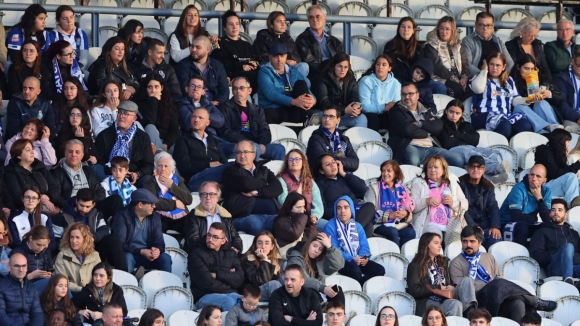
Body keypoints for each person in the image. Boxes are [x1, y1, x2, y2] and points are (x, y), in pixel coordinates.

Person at [449, 225, 557, 320]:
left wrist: (493, 284)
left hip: (495, 299)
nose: (468, 245)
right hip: (476, 304)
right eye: (465, 241)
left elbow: (498, 279)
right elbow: (463, 289)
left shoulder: (488, 257)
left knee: (517, 303)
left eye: (472, 241)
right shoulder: (456, 263)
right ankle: (535, 301)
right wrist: (490, 285)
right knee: (497, 284)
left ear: (479, 242)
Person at [387, 82, 463, 167]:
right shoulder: (396, 111)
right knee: (413, 162)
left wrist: (420, 124)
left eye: (410, 94)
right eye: (404, 94)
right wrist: (428, 132)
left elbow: (438, 126)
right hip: (411, 147)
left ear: (417, 95)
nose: (407, 97)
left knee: (458, 160)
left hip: (431, 148)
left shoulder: (425, 110)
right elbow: (407, 129)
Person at [52, 188, 127, 271]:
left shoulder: (97, 214)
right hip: (72, 251)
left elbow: (105, 230)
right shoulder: (61, 217)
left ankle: (124, 273)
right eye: (81, 205)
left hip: (93, 249)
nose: (84, 209)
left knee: (113, 238)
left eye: (88, 207)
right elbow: (56, 241)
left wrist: (92, 237)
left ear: (94, 204)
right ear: (76, 201)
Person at [469, 53, 538, 139]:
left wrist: (528, 99)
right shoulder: (480, 77)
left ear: (504, 67)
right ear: (487, 64)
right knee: (504, 126)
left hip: (504, 115)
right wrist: (484, 71)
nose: (494, 68)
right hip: (482, 114)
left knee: (525, 125)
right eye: (491, 64)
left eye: (498, 65)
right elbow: (478, 89)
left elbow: (515, 99)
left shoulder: (509, 80)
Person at [439, 100, 510, 183]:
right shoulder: (441, 124)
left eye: (457, 113)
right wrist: (466, 138)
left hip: (470, 147)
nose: (454, 115)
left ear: (461, 114)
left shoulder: (466, 125)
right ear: (446, 111)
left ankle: (497, 175)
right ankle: (496, 168)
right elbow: (447, 143)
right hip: (453, 150)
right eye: (451, 112)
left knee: (495, 152)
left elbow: (475, 140)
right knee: (471, 154)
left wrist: (456, 135)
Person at [221, 140, 283, 235]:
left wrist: (257, 192)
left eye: (246, 152)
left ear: (254, 155)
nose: (242, 155)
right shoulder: (230, 171)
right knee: (256, 225)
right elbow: (246, 184)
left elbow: (278, 187)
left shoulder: (263, 170)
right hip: (244, 216)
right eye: (238, 152)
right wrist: (265, 183)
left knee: (283, 224)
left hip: (271, 215)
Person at [218, 76, 285, 160]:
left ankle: (278, 173)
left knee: (278, 149)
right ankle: (254, 172)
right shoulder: (225, 107)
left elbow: (264, 130)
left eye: (242, 88)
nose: (238, 91)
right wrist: (249, 143)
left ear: (249, 91)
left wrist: (262, 143)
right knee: (254, 148)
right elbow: (225, 131)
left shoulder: (257, 109)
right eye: (235, 88)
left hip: (256, 144)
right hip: (237, 145)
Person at [324, 196, 385, 285]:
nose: (342, 211)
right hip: (340, 260)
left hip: (358, 258)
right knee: (355, 271)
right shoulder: (330, 226)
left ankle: (360, 285)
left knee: (380, 270)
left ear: (351, 209)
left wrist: (364, 258)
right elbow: (334, 250)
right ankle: (359, 289)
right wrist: (352, 259)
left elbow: (364, 246)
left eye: (346, 207)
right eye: (339, 208)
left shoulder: (357, 226)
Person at [95, 100, 154, 187]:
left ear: (134, 118)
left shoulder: (143, 137)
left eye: (126, 113)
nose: (121, 116)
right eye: (119, 112)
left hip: (133, 177)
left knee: (148, 180)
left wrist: (137, 174)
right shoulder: (104, 135)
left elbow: (149, 164)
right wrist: (113, 171)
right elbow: (99, 160)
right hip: (109, 174)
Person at [112, 189, 172, 273]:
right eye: (151, 204)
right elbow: (120, 244)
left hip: (148, 255)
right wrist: (141, 251)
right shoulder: (122, 216)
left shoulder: (155, 217)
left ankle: (166, 285)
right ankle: (128, 284)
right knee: (127, 257)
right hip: (131, 253)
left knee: (165, 258)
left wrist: (157, 250)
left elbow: (160, 242)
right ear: (140, 205)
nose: (154, 206)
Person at [188, 222, 244, 311]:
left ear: (223, 240)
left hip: (230, 293)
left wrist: (217, 275)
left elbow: (239, 279)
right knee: (228, 302)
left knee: (246, 301)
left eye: (215, 237)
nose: (210, 239)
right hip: (204, 295)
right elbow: (206, 282)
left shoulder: (230, 253)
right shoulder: (197, 254)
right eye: (209, 235)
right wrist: (229, 279)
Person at [257, 43, 316, 125]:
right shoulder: (264, 73)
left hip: (291, 108)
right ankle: (306, 119)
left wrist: (313, 100)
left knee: (301, 84)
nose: (279, 59)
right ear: (270, 57)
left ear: (286, 57)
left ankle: (305, 118)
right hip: (273, 109)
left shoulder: (293, 71)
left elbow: (307, 90)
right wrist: (293, 101)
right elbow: (271, 94)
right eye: (275, 56)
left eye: (282, 56)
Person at [315, 154, 374, 236]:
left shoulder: (345, 177)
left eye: (333, 162)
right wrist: (342, 211)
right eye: (328, 164)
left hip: (355, 214)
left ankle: (351, 233)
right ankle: (352, 236)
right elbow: (323, 210)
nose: (332, 165)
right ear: (321, 171)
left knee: (370, 206)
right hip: (339, 216)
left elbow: (363, 189)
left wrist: (344, 173)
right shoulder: (319, 185)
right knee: (368, 226)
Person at [410, 155, 468, 238]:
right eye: (429, 167)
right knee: (434, 237)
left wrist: (452, 203)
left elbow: (465, 204)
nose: (432, 170)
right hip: (427, 226)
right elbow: (412, 207)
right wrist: (426, 201)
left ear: (443, 170)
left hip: (451, 225)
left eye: (436, 167)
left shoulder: (452, 184)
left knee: (454, 243)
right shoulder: (419, 183)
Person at [407, 232, 463, 317]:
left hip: (446, 297)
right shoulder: (415, 265)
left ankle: (470, 311)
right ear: (426, 245)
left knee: (466, 281)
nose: (440, 246)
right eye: (436, 243)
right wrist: (437, 287)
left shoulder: (443, 262)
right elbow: (415, 290)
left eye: (440, 243)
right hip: (429, 300)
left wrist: (451, 286)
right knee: (455, 304)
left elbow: (447, 283)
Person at [174, 107, 229, 192]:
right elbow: (184, 167)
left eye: (200, 117)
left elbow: (224, 161)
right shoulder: (183, 140)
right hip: (194, 180)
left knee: (234, 167)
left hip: (214, 178)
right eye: (193, 117)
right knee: (232, 166)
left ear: (207, 122)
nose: (196, 120)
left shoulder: (212, 140)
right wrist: (208, 164)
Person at [365, 160, 416, 248]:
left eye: (389, 171)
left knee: (410, 233)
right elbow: (368, 213)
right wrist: (388, 216)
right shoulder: (373, 188)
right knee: (392, 232)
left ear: (395, 173)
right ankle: (394, 257)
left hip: (398, 224)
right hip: (379, 225)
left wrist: (406, 213)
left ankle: (401, 256)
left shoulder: (403, 189)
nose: (385, 173)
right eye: (383, 171)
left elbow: (409, 209)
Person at [499, 164, 553, 247]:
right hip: (506, 223)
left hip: (527, 223)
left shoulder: (546, 191)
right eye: (532, 175)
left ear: (544, 180)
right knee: (522, 227)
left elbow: (548, 219)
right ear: (528, 176)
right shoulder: (518, 189)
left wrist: (539, 198)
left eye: (538, 176)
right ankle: (521, 256)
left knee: (549, 227)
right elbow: (516, 217)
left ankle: (540, 256)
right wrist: (534, 218)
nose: (534, 179)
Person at [530, 198, 580, 287]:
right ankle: (568, 281)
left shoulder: (574, 234)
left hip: (573, 268)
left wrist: (567, 257)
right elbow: (536, 256)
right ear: (550, 213)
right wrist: (557, 253)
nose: (556, 212)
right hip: (553, 268)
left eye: (560, 210)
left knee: (568, 249)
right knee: (568, 247)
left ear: (565, 215)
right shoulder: (541, 231)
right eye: (553, 210)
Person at [183, 181, 242, 254]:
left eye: (212, 194)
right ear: (200, 197)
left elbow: (236, 237)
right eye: (204, 194)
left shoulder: (226, 216)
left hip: (226, 255)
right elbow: (193, 240)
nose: (208, 197)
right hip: (204, 255)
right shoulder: (193, 216)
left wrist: (236, 248)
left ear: (218, 198)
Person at [509, 54, 564, 133]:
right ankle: (547, 127)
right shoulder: (512, 82)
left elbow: (559, 99)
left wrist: (549, 94)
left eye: (532, 69)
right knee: (519, 107)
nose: (529, 72)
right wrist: (529, 99)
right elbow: (511, 103)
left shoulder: (543, 79)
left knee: (541, 103)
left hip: (545, 113)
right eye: (526, 68)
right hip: (528, 116)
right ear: (518, 67)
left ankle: (556, 128)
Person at [286, 231, 345, 303]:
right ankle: (325, 310)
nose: (316, 251)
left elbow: (338, 265)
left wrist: (330, 248)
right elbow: (302, 279)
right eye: (315, 246)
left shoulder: (319, 260)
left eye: (320, 249)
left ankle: (339, 313)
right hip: (300, 295)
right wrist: (323, 288)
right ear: (308, 244)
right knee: (313, 293)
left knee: (337, 291)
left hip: (318, 294)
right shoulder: (295, 258)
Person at [311, 52, 366, 128]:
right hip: (325, 113)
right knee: (328, 116)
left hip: (341, 115)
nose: (343, 70)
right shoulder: (323, 78)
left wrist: (355, 109)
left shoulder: (351, 79)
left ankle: (356, 139)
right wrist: (344, 110)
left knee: (361, 118)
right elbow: (324, 102)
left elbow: (354, 98)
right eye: (340, 66)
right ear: (334, 66)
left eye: (346, 67)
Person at [458, 156, 502, 250]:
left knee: (495, 239)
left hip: (485, 226)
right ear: (468, 169)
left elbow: (493, 207)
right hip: (466, 226)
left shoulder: (488, 186)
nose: (475, 169)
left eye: (479, 167)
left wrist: (495, 226)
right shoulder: (459, 183)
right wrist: (474, 227)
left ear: (483, 170)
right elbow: (461, 208)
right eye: (473, 167)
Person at [421, 16, 470, 100]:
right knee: (457, 89)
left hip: (458, 78)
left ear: (452, 31)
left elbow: (465, 64)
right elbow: (437, 67)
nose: (444, 32)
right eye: (441, 28)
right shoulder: (431, 46)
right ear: (438, 30)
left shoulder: (458, 46)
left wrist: (464, 78)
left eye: (447, 29)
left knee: (471, 88)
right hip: (440, 78)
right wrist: (454, 79)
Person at [3, 140, 59, 213]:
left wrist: (48, 196)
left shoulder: (40, 167)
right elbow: (17, 197)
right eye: (27, 150)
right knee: (54, 212)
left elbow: (54, 187)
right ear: (19, 156)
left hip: (48, 202)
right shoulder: (11, 172)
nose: (32, 152)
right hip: (27, 208)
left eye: (32, 149)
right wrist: (40, 200)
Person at [144, 152, 193, 233]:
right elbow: (152, 201)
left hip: (181, 216)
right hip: (161, 217)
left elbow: (188, 199)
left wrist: (172, 186)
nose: (163, 169)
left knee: (191, 226)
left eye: (166, 166)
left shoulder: (178, 180)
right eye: (160, 166)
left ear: (172, 168)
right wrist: (174, 204)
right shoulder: (150, 181)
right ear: (156, 167)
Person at [51, 139, 108, 209]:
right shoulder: (56, 172)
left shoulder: (87, 170)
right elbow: (55, 197)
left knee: (115, 200)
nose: (73, 154)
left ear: (82, 155)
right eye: (70, 151)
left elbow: (100, 190)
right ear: (65, 153)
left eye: (77, 152)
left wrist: (91, 205)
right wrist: (74, 207)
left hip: (91, 207)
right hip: (71, 208)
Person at [276, 149, 323, 233]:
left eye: (297, 159)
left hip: (310, 218)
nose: (294, 162)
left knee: (328, 226)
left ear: (303, 162)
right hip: (290, 218)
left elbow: (318, 203)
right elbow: (283, 201)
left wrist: (315, 216)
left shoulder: (310, 182)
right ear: (287, 162)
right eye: (290, 159)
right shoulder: (281, 180)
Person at [176, 35, 229, 105]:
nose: (193, 49)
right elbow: (185, 89)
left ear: (208, 49)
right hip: (192, 105)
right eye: (192, 46)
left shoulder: (218, 66)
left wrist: (216, 102)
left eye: (198, 47)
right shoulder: (183, 65)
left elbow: (224, 91)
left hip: (215, 105)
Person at [211, 10, 259, 87]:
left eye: (237, 24)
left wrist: (253, 65)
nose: (234, 27)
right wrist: (241, 66)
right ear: (224, 28)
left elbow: (255, 61)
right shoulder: (220, 43)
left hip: (251, 77)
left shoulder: (247, 45)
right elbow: (222, 64)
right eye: (231, 24)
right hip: (233, 78)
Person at [135, 73, 181, 151]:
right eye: (150, 87)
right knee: (150, 127)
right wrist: (154, 100)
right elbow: (149, 122)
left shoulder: (168, 105)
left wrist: (166, 144)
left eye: (156, 87)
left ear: (162, 88)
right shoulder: (139, 106)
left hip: (166, 143)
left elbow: (175, 131)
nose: (153, 91)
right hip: (148, 143)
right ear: (146, 89)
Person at [534, 129, 580, 207]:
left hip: (555, 186)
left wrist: (564, 157)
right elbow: (555, 173)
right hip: (543, 187)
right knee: (571, 177)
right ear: (561, 140)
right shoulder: (545, 151)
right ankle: (572, 204)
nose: (569, 144)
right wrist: (578, 164)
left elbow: (563, 171)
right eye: (567, 141)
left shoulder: (558, 154)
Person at [306, 106, 359, 173]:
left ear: (338, 120)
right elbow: (325, 162)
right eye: (325, 116)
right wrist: (344, 160)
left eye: (331, 116)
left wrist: (335, 160)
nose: (327, 119)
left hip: (344, 176)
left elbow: (355, 163)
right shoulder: (315, 138)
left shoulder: (344, 139)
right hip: (323, 179)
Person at [295, 5, 343, 76]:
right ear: (308, 20)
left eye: (318, 16)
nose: (314, 19)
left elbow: (342, 59)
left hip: (334, 75)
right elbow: (309, 62)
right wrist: (330, 68)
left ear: (324, 18)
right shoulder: (302, 39)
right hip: (316, 76)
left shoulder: (334, 41)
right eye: (311, 17)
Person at [358, 55, 402, 131]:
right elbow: (364, 107)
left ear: (389, 68)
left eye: (384, 65)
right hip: (370, 114)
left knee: (397, 117)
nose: (380, 67)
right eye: (378, 64)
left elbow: (396, 103)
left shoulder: (396, 83)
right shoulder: (366, 81)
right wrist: (384, 106)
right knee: (373, 120)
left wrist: (391, 106)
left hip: (387, 113)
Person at [54, 222, 101, 292]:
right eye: (71, 237)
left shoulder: (95, 255)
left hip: (92, 294)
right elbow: (61, 281)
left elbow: (100, 277)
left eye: (77, 237)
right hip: (71, 295)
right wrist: (82, 290)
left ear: (85, 239)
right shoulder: (62, 256)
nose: (73, 241)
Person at [7, 186, 56, 253]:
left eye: (34, 198)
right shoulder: (14, 218)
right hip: (23, 254)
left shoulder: (45, 217)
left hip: (43, 253)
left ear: (38, 200)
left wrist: (42, 252)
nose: (30, 201)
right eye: (27, 197)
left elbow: (51, 240)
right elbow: (15, 243)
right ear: (22, 199)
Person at [6, 76, 56, 140]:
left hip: (40, 142)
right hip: (18, 142)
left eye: (31, 88)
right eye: (24, 88)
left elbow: (51, 128)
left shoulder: (45, 104)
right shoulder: (15, 102)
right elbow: (13, 130)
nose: (26, 91)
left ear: (38, 91)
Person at [0, 253, 43, 325]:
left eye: (24, 266)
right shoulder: (1, 286)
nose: (21, 269)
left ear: (27, 267)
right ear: (9, 267)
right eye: (17, 266)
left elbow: (37, 313)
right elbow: (1, 316)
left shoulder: (31, 287)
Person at [505, 17, 551, 84]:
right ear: (522, 32)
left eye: (535, 36)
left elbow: (545, 68)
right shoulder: (511, 46)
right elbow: (512, 68)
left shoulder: (537, 46)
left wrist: (546, 84)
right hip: (518, 83)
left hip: (536, 83)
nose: (532, 38)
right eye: (530, 35)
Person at [241, 231, 283, 301]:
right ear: (255, 245)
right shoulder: (248, 260)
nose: (263, 246)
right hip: (253, 292)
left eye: (267, 243)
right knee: (274, 284)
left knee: (286, 278)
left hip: (271, 291)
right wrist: (265, 260)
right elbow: (260, 281)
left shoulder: (276, 261)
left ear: (272, 246)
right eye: (260, 243)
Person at [383, 17, 425, 84]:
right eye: (403, 27)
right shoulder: (390, 45)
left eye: (409, 27)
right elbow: (391, 66)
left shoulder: (419, 47)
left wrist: (416, 75)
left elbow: (422, 65)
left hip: (417, 78)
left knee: (440, 87)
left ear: (413, 31)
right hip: (398, 77)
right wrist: (409, 75)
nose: (406, 30)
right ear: (399, 30)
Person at [554, 51, 580, 132]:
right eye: (579, 65)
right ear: (572, 61)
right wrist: (577, 118)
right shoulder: (562, 78)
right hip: (571, 118)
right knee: (571, 130)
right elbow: (562, 104)